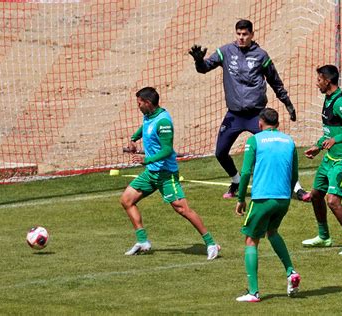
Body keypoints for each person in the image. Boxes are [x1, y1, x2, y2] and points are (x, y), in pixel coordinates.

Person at [189, 19, 310, 201]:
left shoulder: (261, 55)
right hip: (234, 115)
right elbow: (204, 68)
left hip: (257, 116)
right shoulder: (226, 52)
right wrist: (199, 61)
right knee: (220, 152)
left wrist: (288, 103)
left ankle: (297, 189)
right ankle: (236, 181)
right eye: (238, 34)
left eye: (245, 34)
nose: (241, 37)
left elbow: (275, 82)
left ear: (252, 34)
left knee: (277, 150)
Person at [120, 87, 220, 260]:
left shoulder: (163, 122)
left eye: (139, 103)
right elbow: (144, 127)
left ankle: (211, 243)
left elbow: (167, 150)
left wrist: (146, 160)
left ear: (148, 103)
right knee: (127, 200)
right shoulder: (149, 115)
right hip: (151, 173)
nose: (138, 106)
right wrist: (133, 140)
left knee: (182, 209)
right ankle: (143, 241)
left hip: (166, 174)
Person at [234, 108, 301, 302]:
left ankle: (253, 292)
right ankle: (291, 272)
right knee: (272, 232)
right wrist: (288, 193)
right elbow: (295, 173)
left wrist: (240, 198)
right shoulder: (289, 141)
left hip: (263, 198)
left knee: (250, 240)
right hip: (283, 198)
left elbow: (245, 172)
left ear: (260, 123)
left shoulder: (255, 140)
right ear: (278, 124)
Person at [302, 65, 342, 255]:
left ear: (327, 81)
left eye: (319, 79)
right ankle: (324, 236)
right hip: (329, 158)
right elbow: (330, 131)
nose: (316, 83)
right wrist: (319, 146)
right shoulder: (328, 99)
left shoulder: (340, 102)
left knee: (333, 201)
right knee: (315, 195)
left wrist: (335, 140)